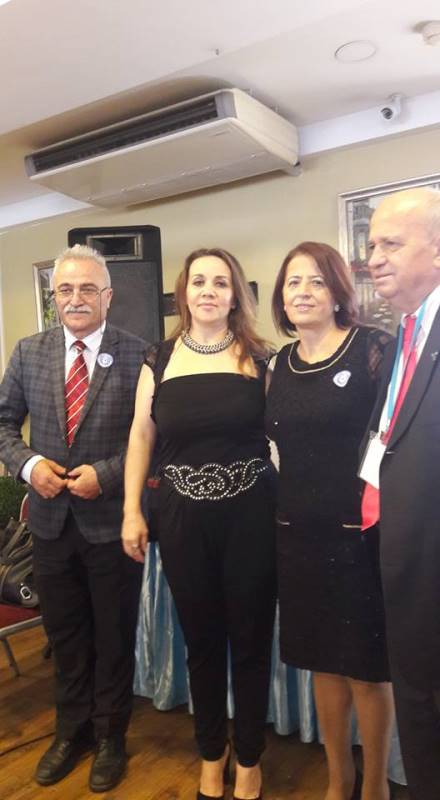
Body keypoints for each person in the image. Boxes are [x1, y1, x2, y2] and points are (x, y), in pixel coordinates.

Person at [122, 247, 277, 800]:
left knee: (251, 641)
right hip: (183, 521)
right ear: (183, 293)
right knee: (202, 642)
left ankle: (250, 758)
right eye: (198, 282)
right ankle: (213, 754)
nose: (208, 291)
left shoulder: (260, 358)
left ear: (235, 295)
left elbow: (282, 438)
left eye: (220, 282)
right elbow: (141, 436)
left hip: (252, 520)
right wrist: (131, 510)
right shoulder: (158, 359)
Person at [0, 244, 146, 792]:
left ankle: (110, 738)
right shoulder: (29, 352)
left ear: (107, 296)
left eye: (87, 289)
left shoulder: (139, 354)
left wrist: (105, 475)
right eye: (65, 289)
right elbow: (3, 424)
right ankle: (71, 732)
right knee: (65, 637)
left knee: (113, 637)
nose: (76, 299)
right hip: (50, 525)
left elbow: (151, 436)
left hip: (111, 523)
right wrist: (29, 464)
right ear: (53, 297)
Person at [266, 242, 395, 800]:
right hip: (297, 536)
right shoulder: (277, 364)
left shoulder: (373, 349)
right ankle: (339, 778)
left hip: (360, 536)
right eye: (293, 282)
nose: (303, 292)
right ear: (281, 297)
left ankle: (375, 785)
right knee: (321, 663)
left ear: (338, 292)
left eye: (316, 281)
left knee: (366, 669)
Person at [361, 187, 440, 800]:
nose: (374, 258)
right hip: (403, 557)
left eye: (391, 243)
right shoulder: (403, 335)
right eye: (371, 245)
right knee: (418, 703)